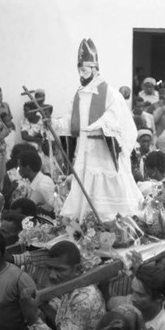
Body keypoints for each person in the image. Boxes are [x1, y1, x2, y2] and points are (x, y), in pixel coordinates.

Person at [61, 38, 142, 221]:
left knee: (108, 192)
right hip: (84, 152)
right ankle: (86, 224)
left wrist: (98, 126)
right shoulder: (78, 95)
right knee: (84, 188)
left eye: (84, 70)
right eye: (79, 70)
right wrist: (54, 124)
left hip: (103, 153)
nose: (81, 74)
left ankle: (113, 223)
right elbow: (71, 120)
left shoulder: (111, 93)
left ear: (95, 69)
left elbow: (116, 118)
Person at [22, 241, 106, 330]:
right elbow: (64, 321)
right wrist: (43, 305)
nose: (52, 275)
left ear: (78, 269)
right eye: (50, 268)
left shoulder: (82, 299)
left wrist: (32, 318)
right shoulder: (71, 285)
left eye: (60, 269)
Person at [18, 150, 55, 214]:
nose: (19, 170)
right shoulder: (33, 181)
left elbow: (54, 207)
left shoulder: (42, 186)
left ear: (27, 167)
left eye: (20, 167)